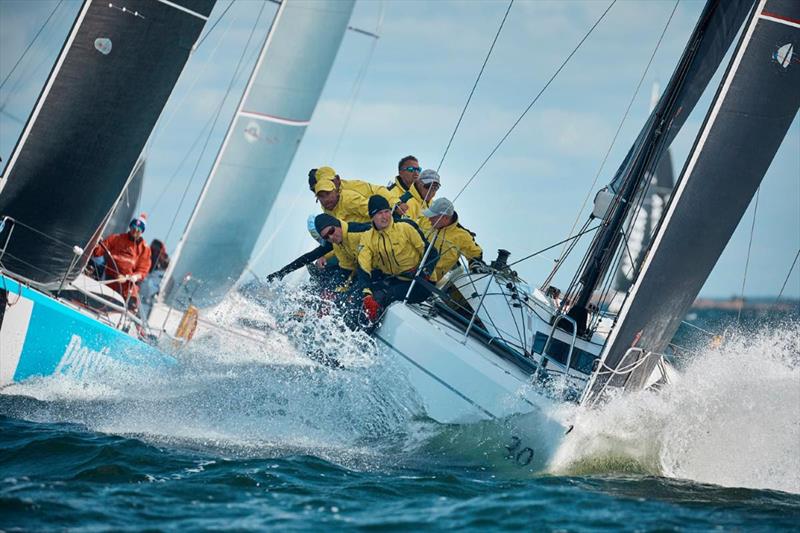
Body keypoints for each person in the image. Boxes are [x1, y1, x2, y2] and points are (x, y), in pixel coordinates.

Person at [357, 195, 439, 322]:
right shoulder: (367, 237)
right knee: (362, 296)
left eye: (387, 211)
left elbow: (432, 253)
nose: (385, 216)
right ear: (372, 217)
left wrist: (425, 272)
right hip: (396, 280)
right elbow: (363, 266)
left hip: (420, 283)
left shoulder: (405, 228)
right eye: (379, 213)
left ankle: (369, 331)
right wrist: (366, 293)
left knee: (382, 296)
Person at [267, 214, 370, 291]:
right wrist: (282, 272)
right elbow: (309, 257)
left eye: (331, 231)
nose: (331, 237)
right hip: (359, 271)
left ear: (337, 224)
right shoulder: (335, 242)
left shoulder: (357, 231)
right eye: (325, 237)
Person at [417, 197, 483, 281]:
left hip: (427, 280)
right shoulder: (425, 220)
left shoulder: (462, 236)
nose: (429, 219)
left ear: (445, 218)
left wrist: (476, 264)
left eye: (433, 216)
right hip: (407, 268)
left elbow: (475, 254)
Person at [92, 214, 151, 304]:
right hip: (109, 280)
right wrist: (95, 241)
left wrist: (128, 277)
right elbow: (97, 252)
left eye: (139, 229)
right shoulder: (116, 238)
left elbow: (142, 272)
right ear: (130, 227)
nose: (135, 230)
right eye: (134, 227)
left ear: (142, 232)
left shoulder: (144, 249)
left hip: (127, 287)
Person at [308, 166, 410, 216]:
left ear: (338, 179)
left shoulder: (352, 187)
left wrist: (397, 204)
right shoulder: (326, 201)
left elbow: (378, 190)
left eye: (330, 181)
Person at [138, 239, 170, 319]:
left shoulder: (163, 275)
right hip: (132, 305)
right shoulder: (140, 265)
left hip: (147, 312)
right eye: (152, 250)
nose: (153, 255)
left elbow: (148, 290)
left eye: (157, 252)